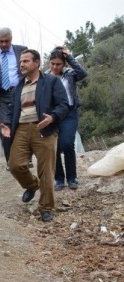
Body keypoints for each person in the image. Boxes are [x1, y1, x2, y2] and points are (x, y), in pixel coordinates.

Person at [1, 49, 69, 222]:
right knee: (15, 165)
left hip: (44, 129)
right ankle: (32, 186)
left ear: (37, 63)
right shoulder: (18, 87)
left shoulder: (51, 82)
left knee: (46, 170)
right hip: (22, 129)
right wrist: (6, 123)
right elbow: (11, 109)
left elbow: (64, 105)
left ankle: (46, 207)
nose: (21, 64)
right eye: (21, 61)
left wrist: (52, 117)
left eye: (25, 61)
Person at [0, 28, 27, 163]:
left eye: (6, 41)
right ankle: (10, 160)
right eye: (0, 41)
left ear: (11, 39)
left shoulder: (22, 50)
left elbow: (30, 69)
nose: (3, 44)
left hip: (21, 93)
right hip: (1, 96)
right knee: (5, 127)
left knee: (22, 126)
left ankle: (25, 158)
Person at [46, 46, 87, 191]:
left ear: (64, 64)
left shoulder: (69, 74)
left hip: (69, 114)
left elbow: (83, 73)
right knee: (54, 147)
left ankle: (72, 177)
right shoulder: (45, 77)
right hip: (53, 115)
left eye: (59, 64)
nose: (55, 67)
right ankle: (59, 179)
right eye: (53, 64)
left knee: (67, 144)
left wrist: (69, 56)